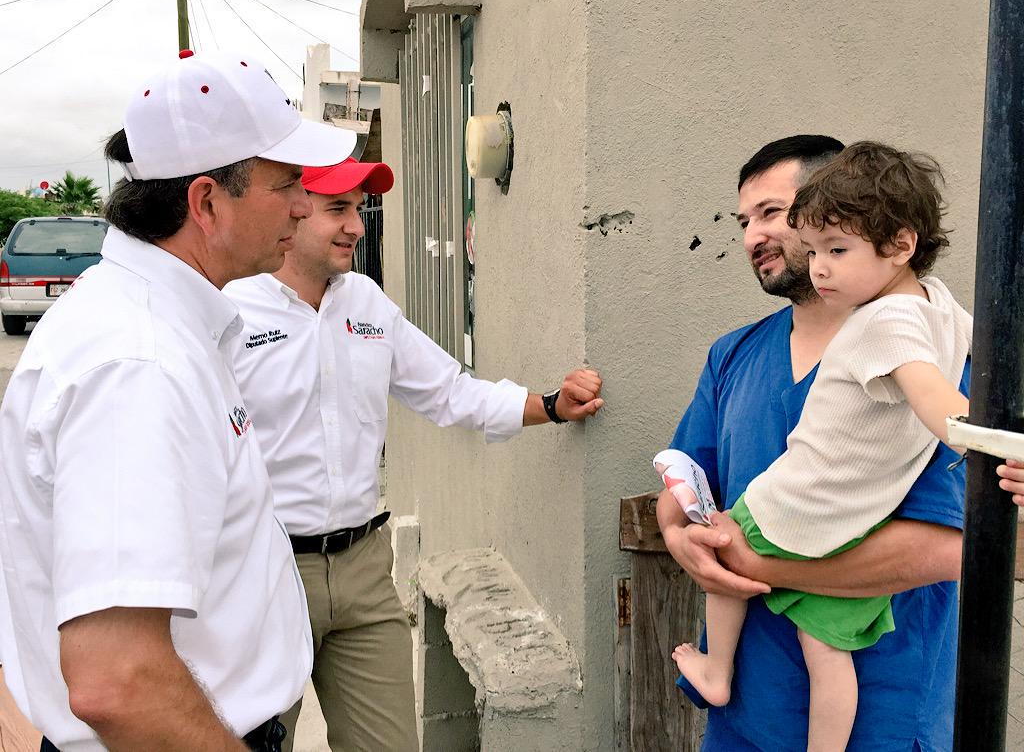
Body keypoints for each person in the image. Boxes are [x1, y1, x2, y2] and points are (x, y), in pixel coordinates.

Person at [0, 49, 356, 752]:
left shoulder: (152, 326)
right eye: (287, 184)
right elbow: (117, 680)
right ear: (206, 202)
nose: (304, 205)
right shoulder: (142, 364)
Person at [223, 157, 605, 752]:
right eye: (337, 209)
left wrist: (550, 405)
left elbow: (448, 390)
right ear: (292, 210)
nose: (355, 226)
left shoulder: (367, 302)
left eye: (357, 209)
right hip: (265, 571)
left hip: (364, 569)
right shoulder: (230, 309)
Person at [656, 134, 969, 751]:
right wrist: (679, 538)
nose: (753, 236)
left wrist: (752, 563)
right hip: (747, 715)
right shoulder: (734, 355)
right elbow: (687, 479)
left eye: (774, 213)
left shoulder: (928, 358)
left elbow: (946, 546)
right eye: (744, 220)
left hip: (882, 719)